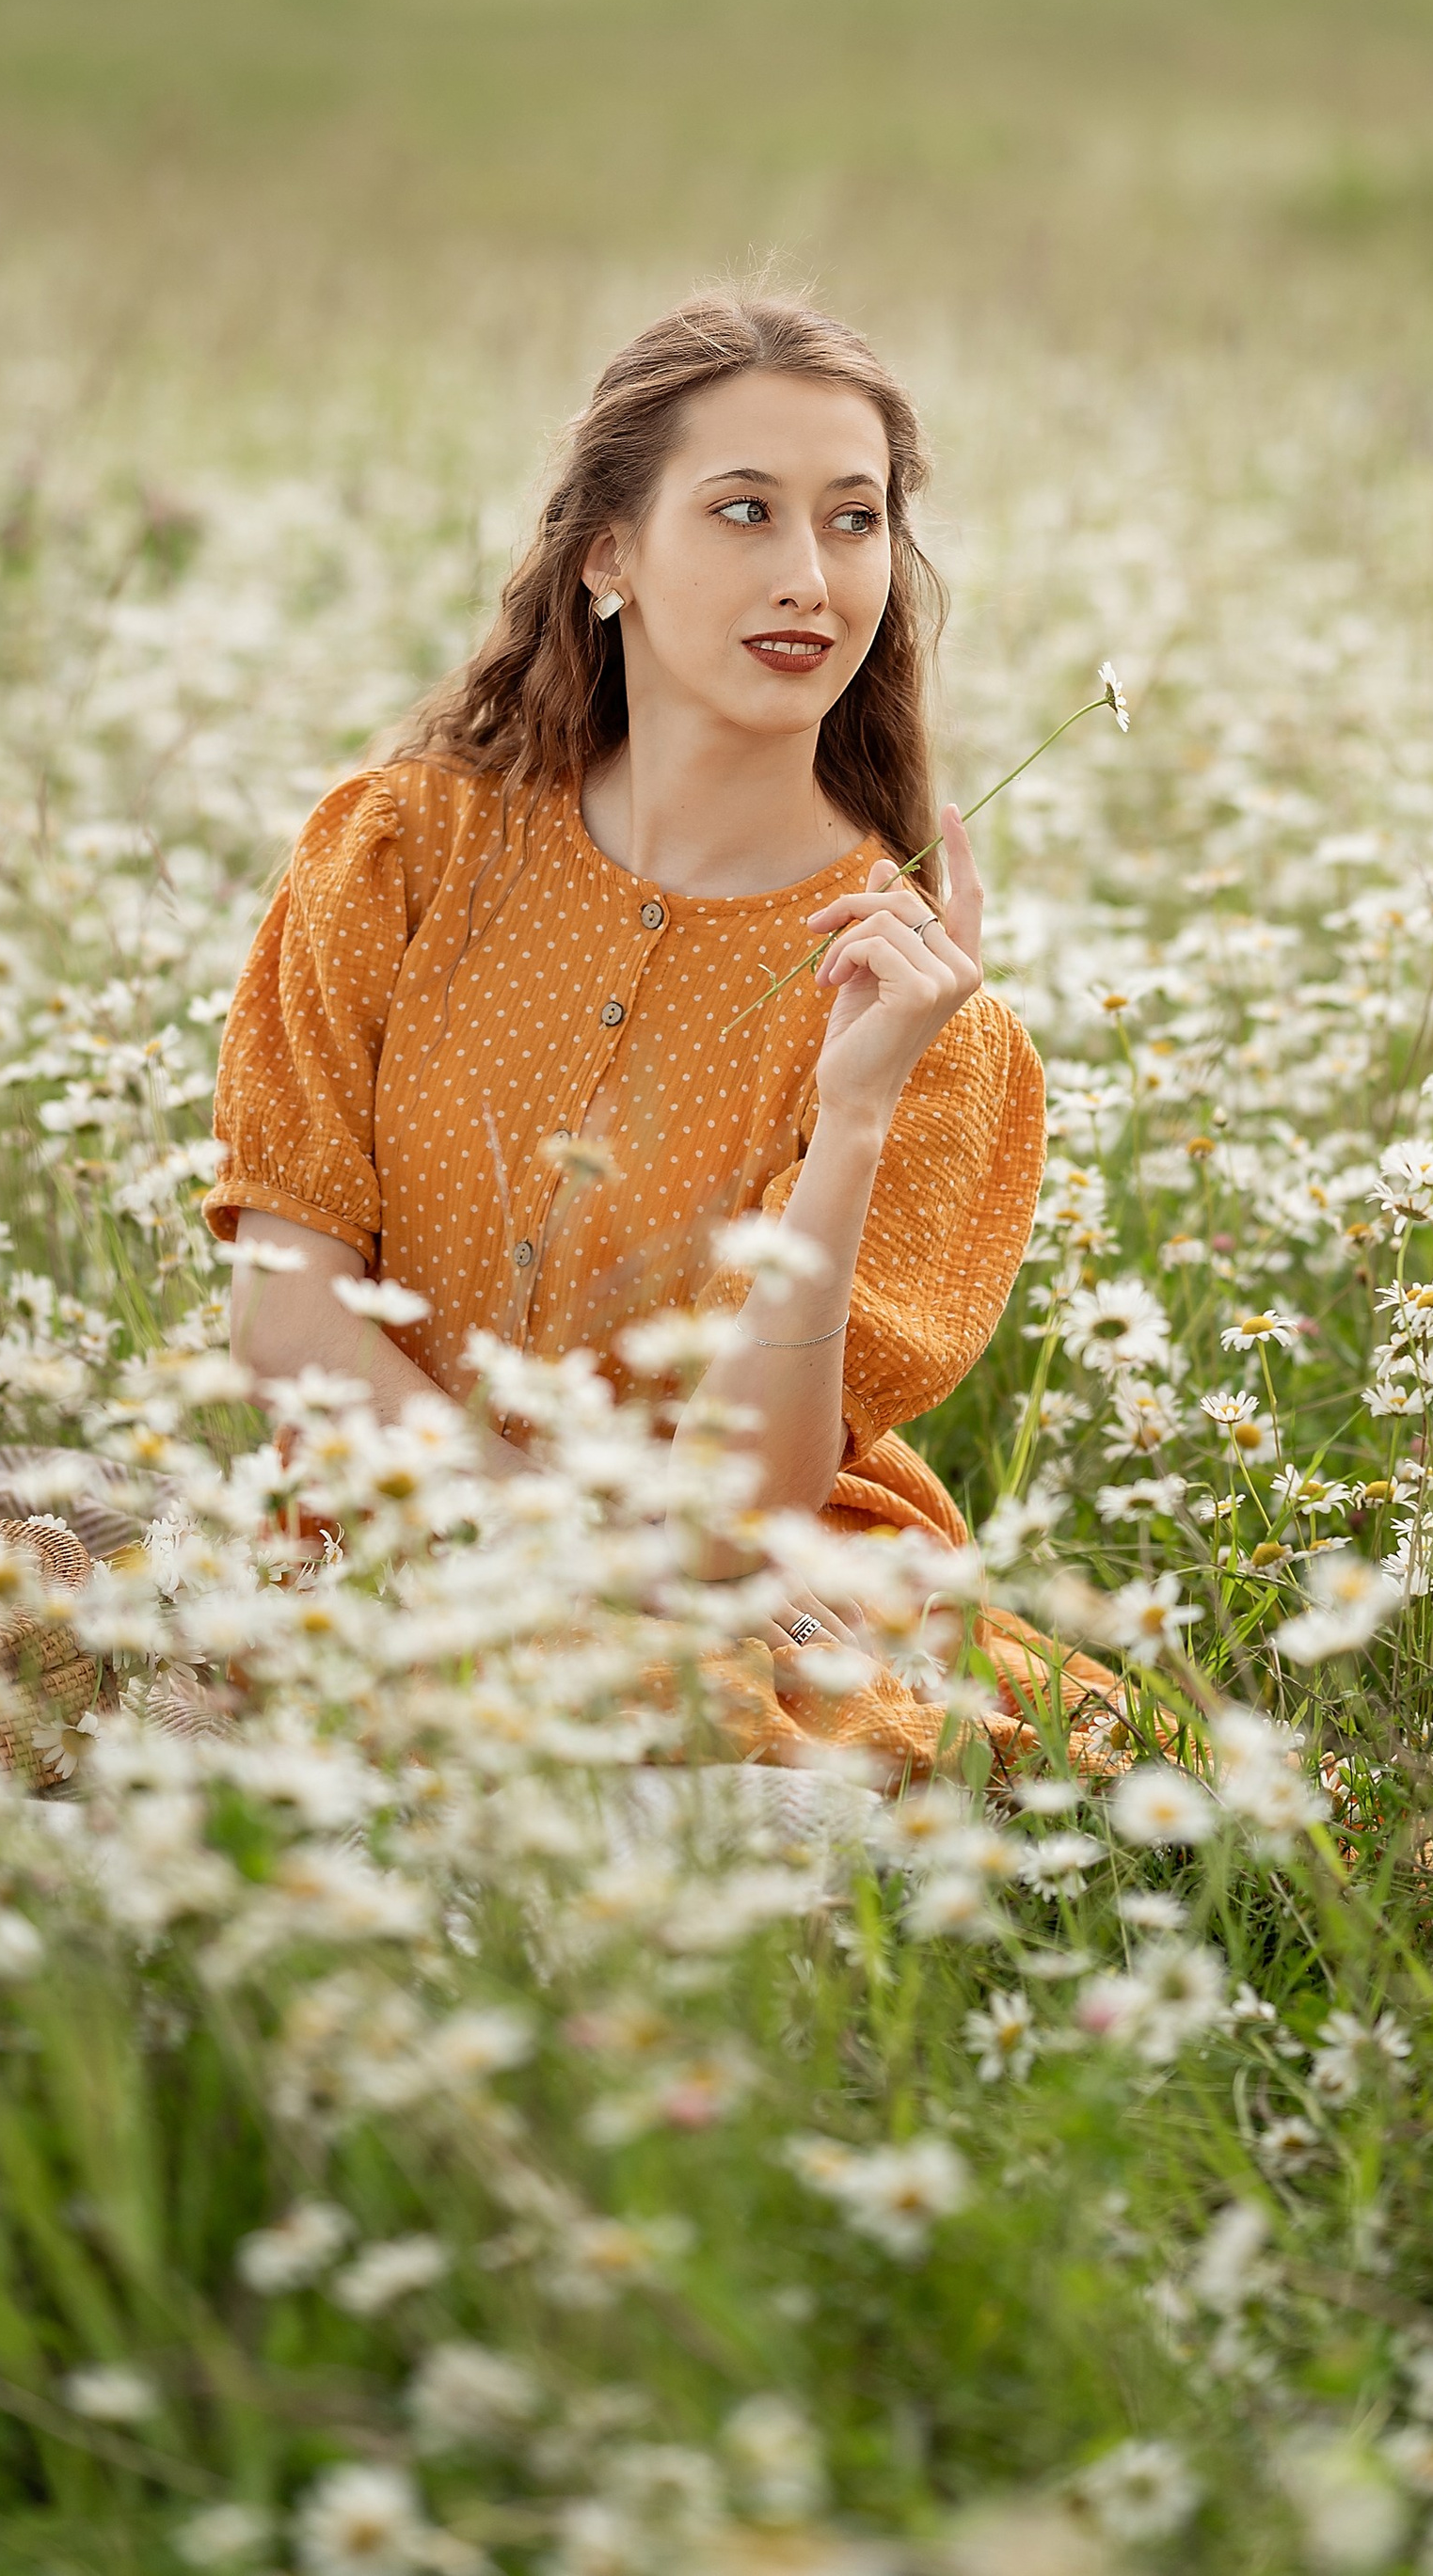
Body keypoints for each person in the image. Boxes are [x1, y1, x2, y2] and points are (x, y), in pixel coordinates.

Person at [207, 292, 1110, 1772]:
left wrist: (860, 1107)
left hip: (755, 1619)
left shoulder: (923, 1014)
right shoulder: (396, 855)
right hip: (391, 1561)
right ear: (607, 555)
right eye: (744, 512)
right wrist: (540, 1568)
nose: (810, 578)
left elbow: (742, 1507)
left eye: (854, 520)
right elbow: (285, 1317)